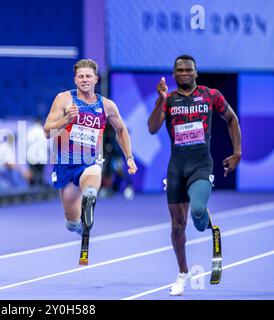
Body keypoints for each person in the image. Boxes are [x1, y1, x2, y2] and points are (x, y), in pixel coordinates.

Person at [147, 55, 242, 296]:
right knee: (177, 226)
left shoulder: (211, 95)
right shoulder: (168, 100)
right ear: (174, 74)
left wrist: (237, 152)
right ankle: (182, 273)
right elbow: (152, 128)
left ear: (196, 73)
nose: (185, 73)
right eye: (180, 70)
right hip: (176, 167)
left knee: (197, 214)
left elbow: (232, 118)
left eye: (189, 70)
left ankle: (205, 217)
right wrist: (159, 100)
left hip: (201, 164)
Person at [43, 58, 137, 246]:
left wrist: (129, 157)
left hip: (90, 161)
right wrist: (66, 120)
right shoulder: (64, 99)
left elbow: (121, 131)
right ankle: (80, 225)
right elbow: (47, 131)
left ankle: (90, 198)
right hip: (66, 163)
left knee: (92, 181)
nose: (84, 79)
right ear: (75, 80)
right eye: (80, 76)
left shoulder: (107, 106)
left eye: (88, 76)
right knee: (71, 222)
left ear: (96, 79)